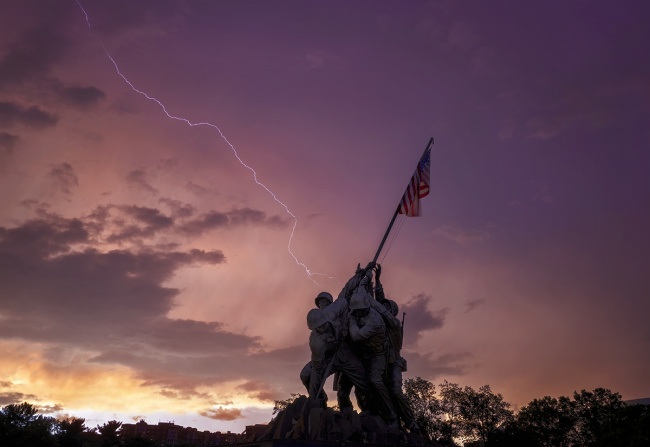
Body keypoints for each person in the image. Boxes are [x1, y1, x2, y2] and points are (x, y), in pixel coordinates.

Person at [300, 264, 375, 409]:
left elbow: (346, 290)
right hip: (330, 359)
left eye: (325, 302)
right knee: (306, 375)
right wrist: (313, 397)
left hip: (346, 352)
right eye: (318, 328)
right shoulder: (316, 342)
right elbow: (317, 370)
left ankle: (375, 410)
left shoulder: (337, 308)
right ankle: (319, 400)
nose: (322, 329)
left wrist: (361, 274)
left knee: (365, 382)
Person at [374, 264, 419, 432]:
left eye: (387, 306)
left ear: (391, 311)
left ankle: (411, 422)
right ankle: (390, 418)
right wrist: (377, 280)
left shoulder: (394, 323)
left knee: (395, 391)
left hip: (393, 362)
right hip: (381, 361)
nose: (383, 307)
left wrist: (377, 300)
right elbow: (379, 302)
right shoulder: (378, 323)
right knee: (379, 390)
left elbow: (379, 305)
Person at [348, 282, 397, 426]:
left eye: (360, 311)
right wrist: (365, 278)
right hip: (364, 354)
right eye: (355, 311)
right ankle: (368, 409)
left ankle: (391, 415)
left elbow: (357, 336)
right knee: (360, 383)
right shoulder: (362, 308)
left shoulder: (374, 320)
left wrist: (351, 321)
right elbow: (364, 289)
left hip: (378, 355)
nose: (358, 313)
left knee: (375, 381)